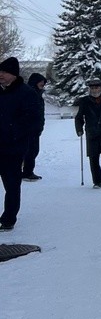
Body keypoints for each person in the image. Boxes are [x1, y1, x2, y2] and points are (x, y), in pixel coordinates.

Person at [0, 56, 42, 231]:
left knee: (11, 184)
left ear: (14, 75)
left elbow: (33, 119)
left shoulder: (26, 93)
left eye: (4, 72)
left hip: (13, 148)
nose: (0, 75)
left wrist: (13, 131)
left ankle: (8, 218)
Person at [22, 72, 47, 181]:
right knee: (30, 151)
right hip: (29, 129)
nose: (42, 84)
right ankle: (27, 172)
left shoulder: (38, 95)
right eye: (41, 82)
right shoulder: (29, 94)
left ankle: (27, 171)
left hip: (36, 128)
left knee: (33, 151)